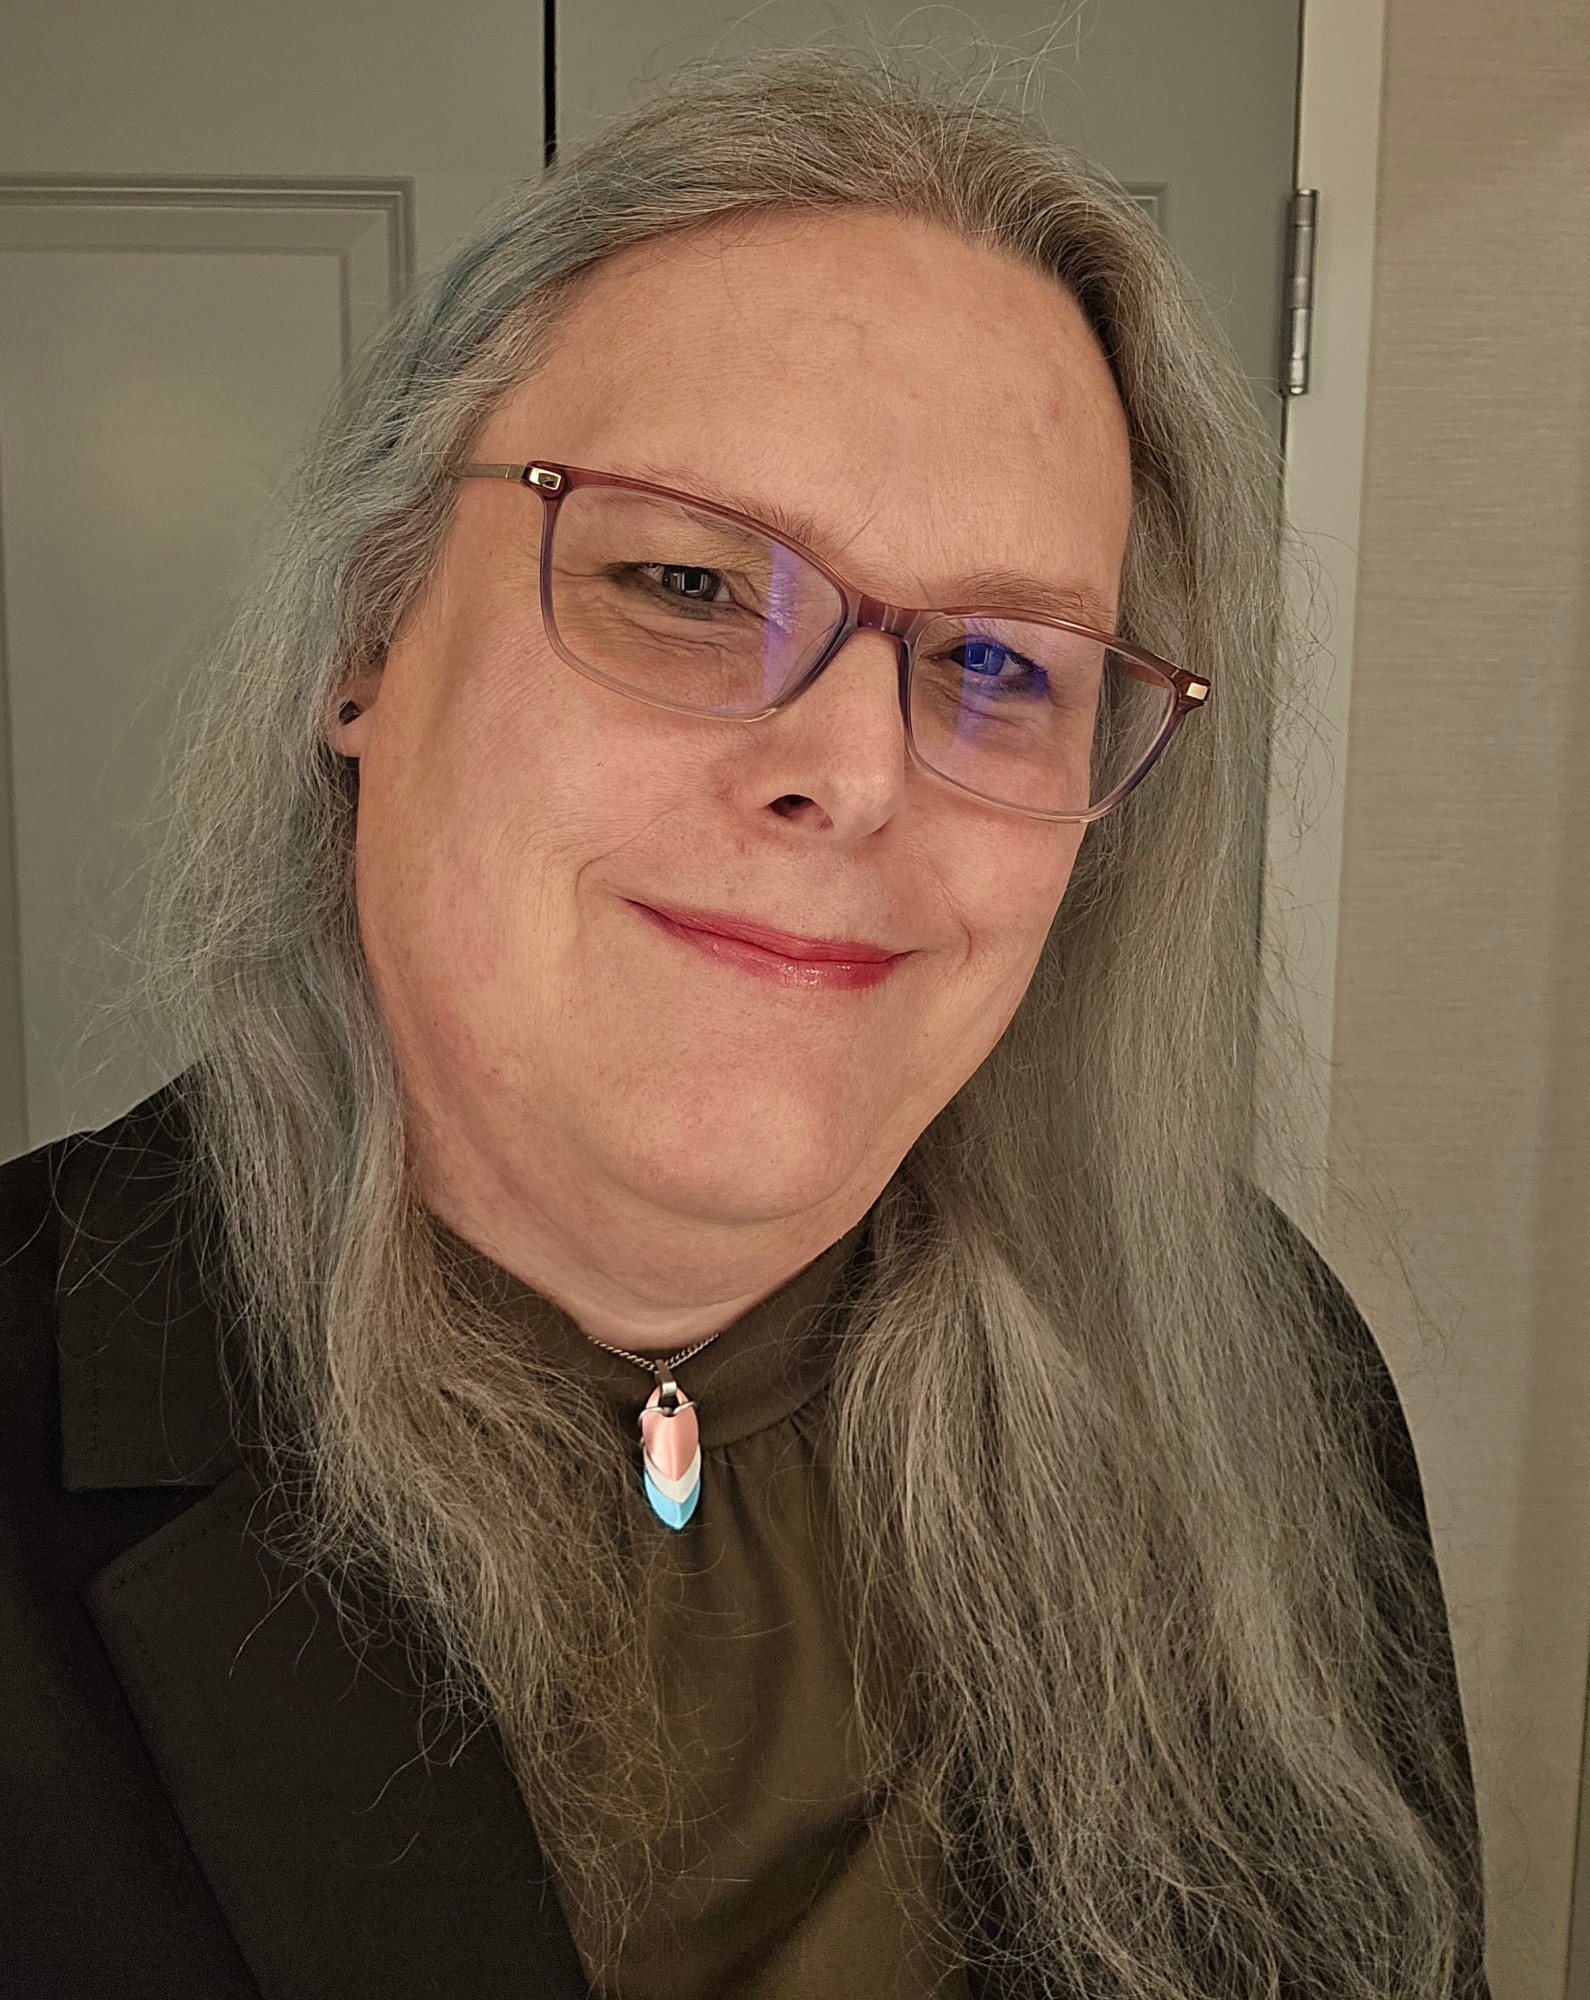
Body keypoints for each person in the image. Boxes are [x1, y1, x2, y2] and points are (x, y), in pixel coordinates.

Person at [0, 46, 1490, 2000]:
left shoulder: (1264, 1370)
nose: (853, 769)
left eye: (991, 665)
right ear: (367, 643)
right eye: (688, 581)